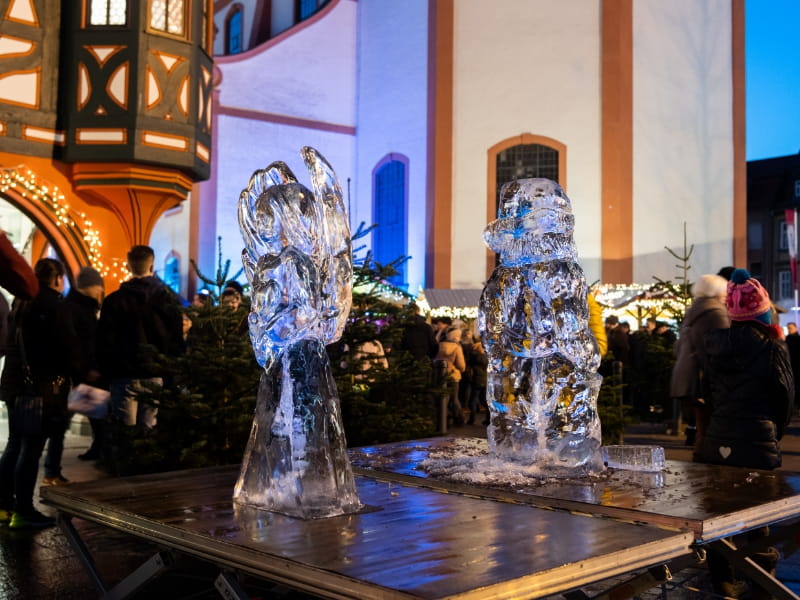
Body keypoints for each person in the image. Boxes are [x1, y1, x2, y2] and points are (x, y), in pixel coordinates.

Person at [700, 268, 794, 595]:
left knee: (719, 515)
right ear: (763, 311)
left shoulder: (714, 344)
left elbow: (707, 393)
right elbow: (785, 398)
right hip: (757, 441)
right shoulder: (772, 348)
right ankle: (762, 579)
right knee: (759, 518)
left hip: (718, 442)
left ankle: (723, 579)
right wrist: (772, 432)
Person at [0, 258, 79, 528]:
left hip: (15, 385)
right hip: (39, 388)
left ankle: (3, 507)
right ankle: (24, 510)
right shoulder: (53, 305)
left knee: (14, 445)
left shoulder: (20, 302)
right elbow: (66, 348)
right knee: (31, 449)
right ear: (57, 278)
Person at [97, 245, 183, 430]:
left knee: (124, 432)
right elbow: (175, 337)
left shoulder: (114, 301)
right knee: (149, 431)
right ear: (151, 266)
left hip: (124, 373)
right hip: (155, 372)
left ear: (128, 266)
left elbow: (105, 340)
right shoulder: (167, 299)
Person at [669, 274, 729, 456]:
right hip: (703, 377)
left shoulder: (696, 310)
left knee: (703, 428)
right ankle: (707, 471)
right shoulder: (715, 312)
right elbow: (721, 347)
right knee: (709, 429)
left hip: (688, 376)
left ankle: (702, 465)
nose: (726, 295)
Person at [63, 267, 107, 462]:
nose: (100, 290)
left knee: (94, 412)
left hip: (85, 368)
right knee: (88, 412)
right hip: (84, 369)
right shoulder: (76, 308)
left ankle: (99, 447)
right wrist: (88, 366)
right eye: (98, 286)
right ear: (88, 285)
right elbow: (81, 341)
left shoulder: (84, 306)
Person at [436, 327, 466, 425]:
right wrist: (462, 369)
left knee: (443, 398)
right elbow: (461, 365)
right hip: (453, 376)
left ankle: (444, 419)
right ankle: (459, 418)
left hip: (441, 375)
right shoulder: (457, 347)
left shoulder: (440, 345)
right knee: (454, 398)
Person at [468, 340, 488, 425]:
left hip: (476, 380)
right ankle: (489, 417)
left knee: (473, 400)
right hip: (485, 379)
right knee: (484, 400)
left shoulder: (473, 357)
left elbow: (468, 365)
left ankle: (472, 419)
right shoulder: (486, 357)